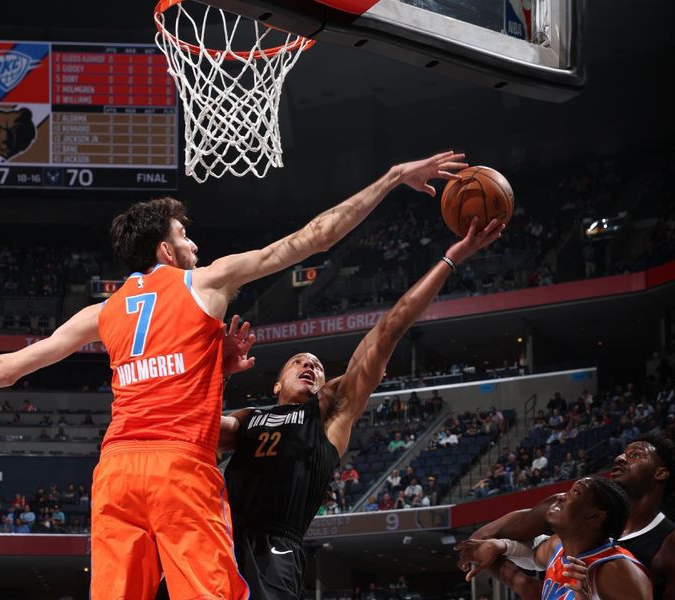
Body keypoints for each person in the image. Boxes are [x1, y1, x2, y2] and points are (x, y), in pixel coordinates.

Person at [0, 149, 468, 600]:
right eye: (184, 235)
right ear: (164, 249)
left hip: (113, 475)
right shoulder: (204, 282)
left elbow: (10, 369)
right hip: (177, 468)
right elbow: (311, 238)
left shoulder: (100, 311)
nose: (194, 242)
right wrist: (391, 179)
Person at [210, 217, 503, 599]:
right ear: (277, 382)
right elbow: (199, 430)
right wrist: (220, 373)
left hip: (275, 548)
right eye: (299, 361)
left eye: (316, 365)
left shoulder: (329, 411)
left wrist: (450, 259)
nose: (310, 366)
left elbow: (389, 329)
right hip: (219, 536)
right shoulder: (249, 419)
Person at [456, 433, 674, 600]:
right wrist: (494, 545)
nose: (620, 458)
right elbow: (533, 554)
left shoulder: (624, 566)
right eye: (623, 452)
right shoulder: (562, 541)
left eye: (635, 455)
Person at [456, 477, 652, 600]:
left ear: (595, 517)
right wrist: (498, 546)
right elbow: (533, 556)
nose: (561, 497)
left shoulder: (618, 571)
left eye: (575, 492)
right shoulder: (558, 547)